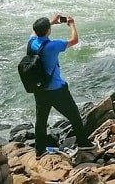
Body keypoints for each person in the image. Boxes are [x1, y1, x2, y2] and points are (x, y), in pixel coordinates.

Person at [28, 14, 94, 157]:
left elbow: (34, 33)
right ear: (48, 31)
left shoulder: (32, 42)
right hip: (57, 90)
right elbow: (74, 40)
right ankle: (83, 143)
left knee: (41, 120)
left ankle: (40, 151)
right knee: (74, 115)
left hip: (39, 89)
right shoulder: (53, 45)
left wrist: (50, 22)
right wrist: (71, 24)